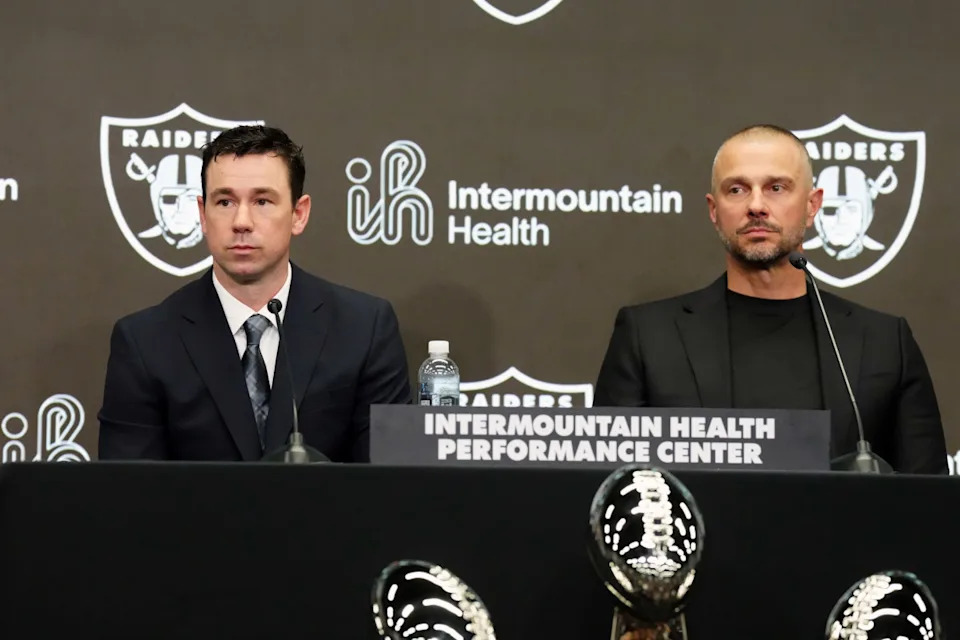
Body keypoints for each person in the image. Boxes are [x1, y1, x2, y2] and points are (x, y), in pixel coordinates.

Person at [595, 124, 947, 474]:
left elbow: (931, 498)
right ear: (714, 210)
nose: (756, 206)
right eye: (737, 189)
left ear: (812, 205)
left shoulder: (885, 343)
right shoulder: (648, 338)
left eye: (776, 188)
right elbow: (608, 487)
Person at [98, 125, 411, 462]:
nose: (241, 221)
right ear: (203, 214)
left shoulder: (364, 329)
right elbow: (129, 488)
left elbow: (389, 478)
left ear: (299, 214)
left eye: (262, 201)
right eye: (225, 202)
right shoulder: (145, 342)